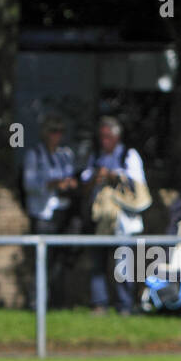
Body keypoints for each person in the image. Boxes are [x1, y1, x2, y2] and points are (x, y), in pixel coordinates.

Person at [81, 116, 150, 316]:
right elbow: (84, 186)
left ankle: (125, 306)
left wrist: (113, 176)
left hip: (124, 222)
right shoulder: (95, 156)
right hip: (100, 219)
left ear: (117, 137)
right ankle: (99, 304)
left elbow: (139, 187)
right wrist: (96, 177)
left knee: (124, 265)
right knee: (97, 263)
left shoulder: (129, 155)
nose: (104, 141)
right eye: (101, 137)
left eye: (108, 137)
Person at [21, 115, 82, 308]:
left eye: (60, 132)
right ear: (45, 134)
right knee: (41, 260)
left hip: (62, 211)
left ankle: (56, 301)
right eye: (53, 131)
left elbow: (71, 176)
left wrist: (70, 184)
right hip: (42, 213)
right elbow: (28, 184)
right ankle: (36, 302)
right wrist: (52, 184)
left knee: (60, 260)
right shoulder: (35, 155)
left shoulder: (65, 154)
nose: (57, 136)